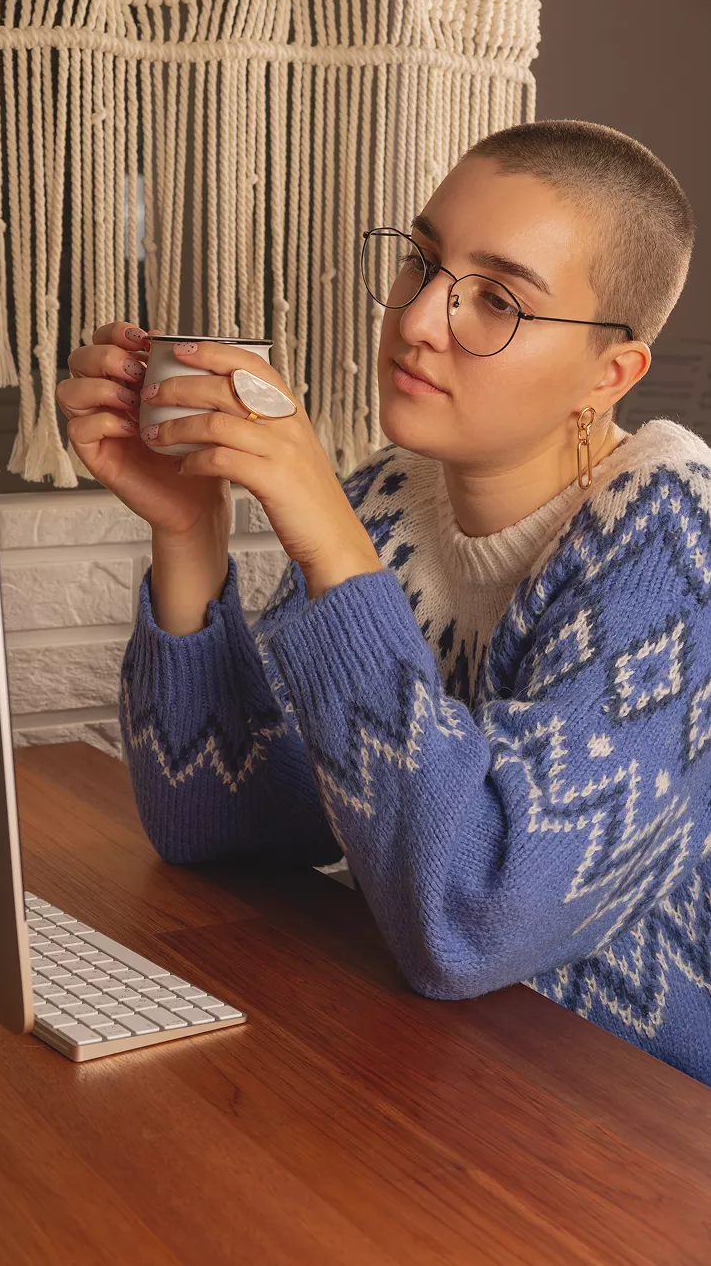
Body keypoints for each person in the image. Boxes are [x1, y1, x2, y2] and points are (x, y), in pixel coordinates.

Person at [55, 119, 710, 1086]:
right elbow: (227, 820)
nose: (415, 318)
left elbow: (472, 917)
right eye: (421, 260)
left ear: (607, 375)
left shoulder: (673, 546)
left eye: (495, 299)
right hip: (452, 1067)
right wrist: (188, 531)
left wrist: (328, 540)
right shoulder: (393, 500)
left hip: (631, 1119)